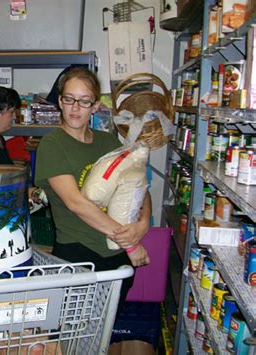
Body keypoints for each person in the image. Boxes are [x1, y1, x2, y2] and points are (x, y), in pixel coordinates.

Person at [34, 67, 151, 308]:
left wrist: (143, 223)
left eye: (84, 101)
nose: (75, 108)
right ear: (60, 101)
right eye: (69, 99)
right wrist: (131, 243)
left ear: (95, 106)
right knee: (73, 338)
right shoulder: (52, 145)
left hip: (118, 254)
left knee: (104, 337)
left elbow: (138, 185)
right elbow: (76, 203)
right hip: (79, 253)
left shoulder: (108, 141)